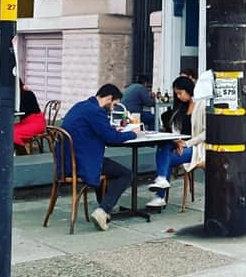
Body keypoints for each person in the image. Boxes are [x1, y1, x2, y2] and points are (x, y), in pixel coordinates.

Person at [60, 83, 142, 231]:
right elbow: (111, 138)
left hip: (67, 161)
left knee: (109, 168)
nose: (112, 108)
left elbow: (100, 131)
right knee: (126, 174)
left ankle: (105, 206)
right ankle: (103, 210)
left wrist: (115, 130)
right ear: (109, 98)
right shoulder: (96, 111)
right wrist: (133, 133)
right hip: (83, 162)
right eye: (114, 104)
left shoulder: (82, 106)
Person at [147, 75, 208, 207]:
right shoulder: (180, 107)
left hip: (197, 147)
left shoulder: (201, 105)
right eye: (177, 94)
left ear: (188, 90)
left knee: (165, 157)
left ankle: (160, 194)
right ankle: (161, 182)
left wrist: (186, 143)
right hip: (179, 145)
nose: (179, 97)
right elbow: (175, 131)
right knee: (164, 147)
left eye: (180, 93)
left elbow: (206, 132)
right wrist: (177, 142)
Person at [13, 81, 46, 152]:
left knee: (12, 132)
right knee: (7, 130)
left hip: (36, 122)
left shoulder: (27, 94)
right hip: (26, 122)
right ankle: (17, 153)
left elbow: (20, 110)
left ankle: (23, 156)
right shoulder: (16, 96)